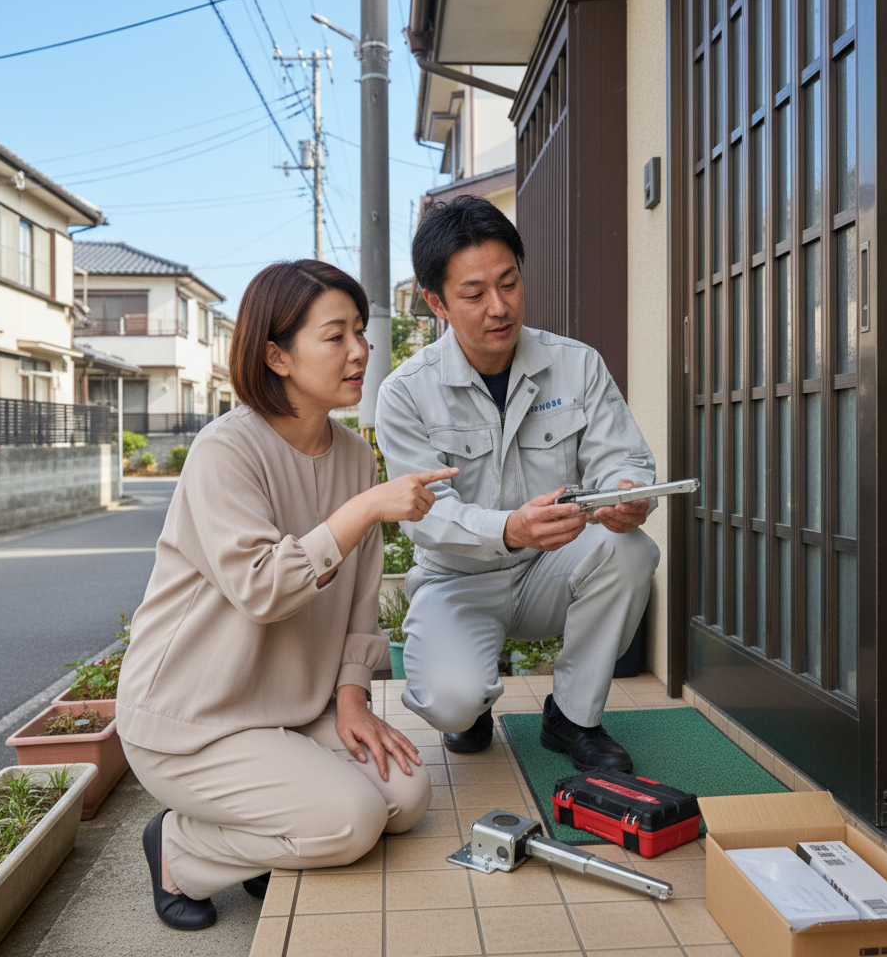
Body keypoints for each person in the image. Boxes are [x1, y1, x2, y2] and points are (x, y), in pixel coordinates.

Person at [116, 260, 457, 931]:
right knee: (353, 820)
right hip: (193, 721)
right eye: (335, 336)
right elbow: (263, 589)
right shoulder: (226, 451)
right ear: (276, 354)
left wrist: (353, 699)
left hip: (288, 709)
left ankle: (265, 831)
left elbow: (360, 601)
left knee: (408, 796)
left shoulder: (356, 458)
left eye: (360, 330)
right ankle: (180, 849)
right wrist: (362, 513)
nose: (359, 350)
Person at [375, 195, 660, 773]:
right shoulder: (405, 392)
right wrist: (509, 528)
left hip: (552, 567)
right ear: (437, 303)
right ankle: (472, 700)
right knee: (451, 703)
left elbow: (621, 458)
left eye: (509, 283)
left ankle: (572, 719)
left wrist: (627, 492)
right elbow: (425, 513)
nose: (499, 307)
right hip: (458, 581)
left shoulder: (577, 364)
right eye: (474, 294)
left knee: (630, 549)